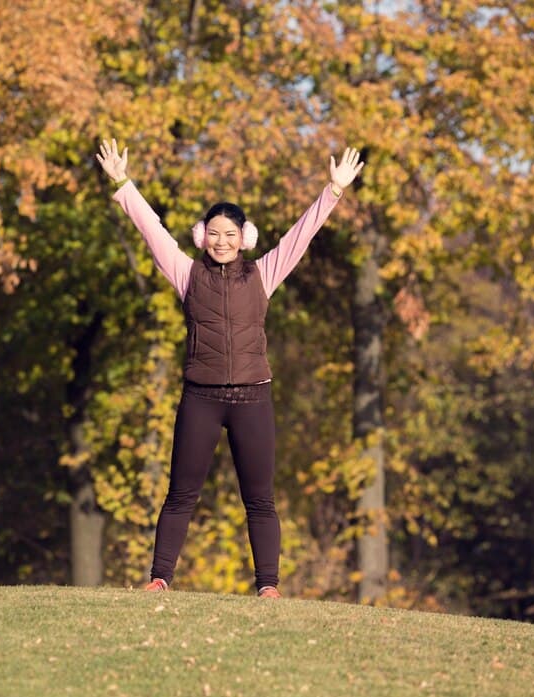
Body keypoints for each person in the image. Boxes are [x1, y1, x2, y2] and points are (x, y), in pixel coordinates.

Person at [95, 138, 364, 597]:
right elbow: (151, 229)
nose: (222, 241)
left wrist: (333, 191)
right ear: (202, 237)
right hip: (200, 398)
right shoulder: (185, 273)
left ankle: (268, 586)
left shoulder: (264, 273)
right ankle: (160, 579)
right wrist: (123, 184)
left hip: (252, 399)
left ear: (245, 239)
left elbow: (302, 233)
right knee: (180, 494)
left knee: (260, 499)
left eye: (231, 235)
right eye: (214, 234)